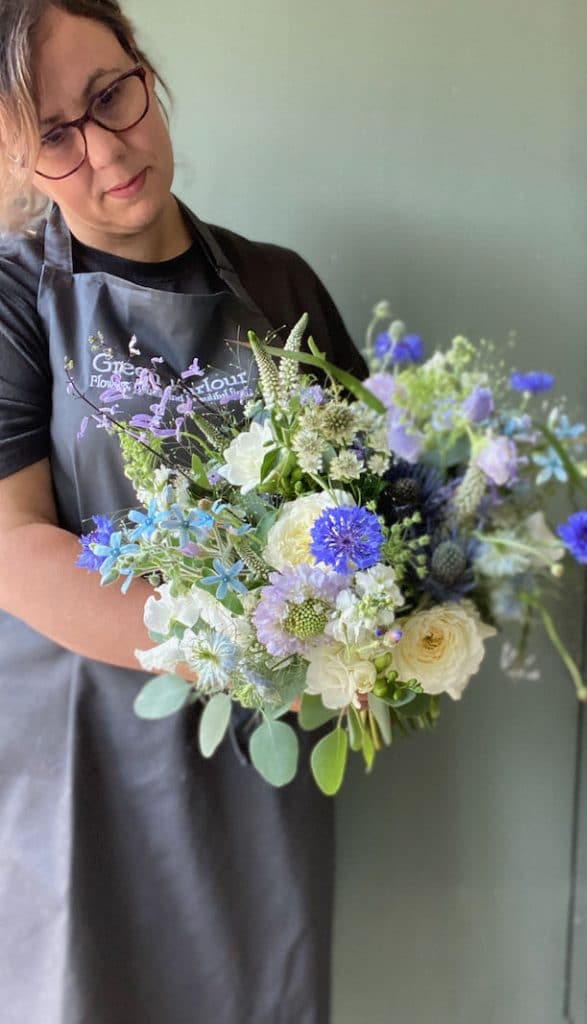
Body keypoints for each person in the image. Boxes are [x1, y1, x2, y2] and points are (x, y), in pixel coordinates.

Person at [0, 3, 367, 1022]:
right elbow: (14, 547)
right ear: (18, 161)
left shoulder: (278, 282)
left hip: (261, 756)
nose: (107, 147)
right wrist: (229, 644)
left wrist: (360, 647)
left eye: (112, 94)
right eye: (57, 135)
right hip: (82, 761)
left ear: (146, 72)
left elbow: (370, 501)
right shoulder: (10, 299)